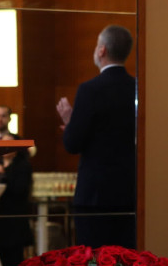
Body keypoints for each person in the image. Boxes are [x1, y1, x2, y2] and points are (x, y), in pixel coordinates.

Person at [55, 25, 137, 249]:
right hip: (130, 191)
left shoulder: (89, 90)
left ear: (101, 50)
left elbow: (73, 143)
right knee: (126, 263)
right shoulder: (138, 88)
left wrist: (70, 121)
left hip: (95, 196)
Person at [0, 145, 34, 266]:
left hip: (14, 219)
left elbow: (19, 189)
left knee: (14, 261)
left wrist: (4, 173)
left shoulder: (23, 166)